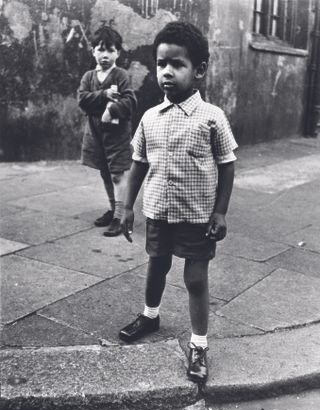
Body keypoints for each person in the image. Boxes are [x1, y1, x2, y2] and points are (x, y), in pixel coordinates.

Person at [119, 21, 238, 383]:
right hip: (158, 211)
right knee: (156, 265)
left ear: (199, 70)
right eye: (160, 64)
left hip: (197, 217)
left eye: (177, 64)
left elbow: (227, 164)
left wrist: (220, 211)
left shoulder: (212, 117)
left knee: (195, 278)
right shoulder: (149, 118)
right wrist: (126, 206)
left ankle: (199, 344)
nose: (166, 71)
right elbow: (138, 163)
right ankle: (150, 314)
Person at [78, 26, 137, 236]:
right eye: (100, 49)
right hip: (95, 134)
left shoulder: (120, 75)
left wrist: (112, 109)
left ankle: (119, 217)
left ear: (118, 53)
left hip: (117, 134)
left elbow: (130, 102)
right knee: (105, 171)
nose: (105, 55)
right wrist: (103, 96)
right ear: (93, 51)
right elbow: (82, 99)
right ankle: (114, 209)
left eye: (111, 50)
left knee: (117, 174)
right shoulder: (88, 76)